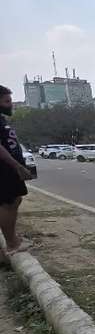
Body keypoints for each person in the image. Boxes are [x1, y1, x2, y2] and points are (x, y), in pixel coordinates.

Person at [0, 85, 33, 255]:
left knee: (15, 200)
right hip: (4, 170)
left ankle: (13, 239)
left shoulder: (1, 119)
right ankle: (12, 244)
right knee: (9, 202)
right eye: (7, 101)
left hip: (9, 170)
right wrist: (17, 166)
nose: (10, 104)